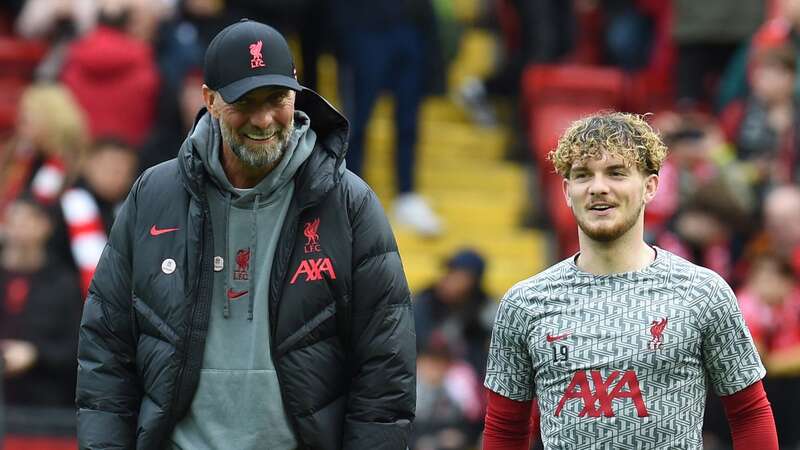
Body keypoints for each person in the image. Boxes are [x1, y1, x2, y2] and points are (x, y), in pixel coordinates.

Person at [75, 19, 416, 449]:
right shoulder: (153, 196)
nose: (263, 119)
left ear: (296, 91)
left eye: (276, 99)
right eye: (244, 101)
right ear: (209, 100)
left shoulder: (350, 205)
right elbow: (106, 349)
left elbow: (385, 367)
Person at [481, 112, 778, 449]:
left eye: (616, 173)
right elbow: (505, 430)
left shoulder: (702, 293)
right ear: (567, 191)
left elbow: (749, 413)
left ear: (650, 186)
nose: (598, 188)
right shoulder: (526, 303)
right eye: (582, 176)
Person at [1, 196, 83, 409]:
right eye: (14, 222)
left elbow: (78, 346)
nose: (20, 231)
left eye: (28, 222)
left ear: (46, 227)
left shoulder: (64, 283)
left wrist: (36, 354)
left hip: (45, 408)